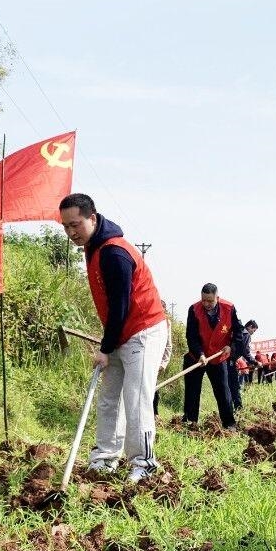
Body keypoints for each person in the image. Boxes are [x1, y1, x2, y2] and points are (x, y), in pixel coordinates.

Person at [60, 193, 168, 483]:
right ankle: (105, 458)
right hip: (120, 329)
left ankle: (144, 464)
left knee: (135, 398)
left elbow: (120, 305)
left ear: (92, 218)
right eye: (66, 227)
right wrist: (110, 344)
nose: (71, 232)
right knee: (109, 398)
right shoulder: (93, 247)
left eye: (76, 225)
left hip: (143, 330)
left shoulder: (114, 252)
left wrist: (105, 349)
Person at [183, 283, 243, 429]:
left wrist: (231, 347)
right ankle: (191, 422)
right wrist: (200, 354)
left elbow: (239, 332)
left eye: (210, 301)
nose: (206, 304)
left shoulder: (229, 308)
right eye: (204, 300)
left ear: (217, 297)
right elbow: (191, 336)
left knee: (223, 390)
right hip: (196, 356)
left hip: (218, 357)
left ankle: (229, 424)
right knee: (192, 390)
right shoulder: (194, 309)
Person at [228, 319, 259, 410]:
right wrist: (255, 362)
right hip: (230, 361)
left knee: (228, 385)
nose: (253, 332)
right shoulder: (246, 334)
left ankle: (230, 408)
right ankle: (239, 408)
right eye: (254, 330)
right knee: (234, 386)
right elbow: (245, 352)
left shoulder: (237, 331)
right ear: (250, 327)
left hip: (226, 361)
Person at [153, 318, 174, 416]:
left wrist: (163, 363)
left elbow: (168, 345)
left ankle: (155, 414)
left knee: (154, 388)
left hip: (156, 361)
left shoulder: (166, 322)